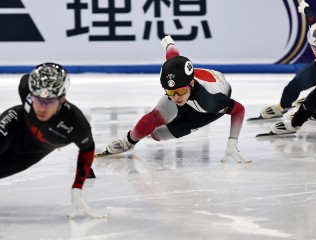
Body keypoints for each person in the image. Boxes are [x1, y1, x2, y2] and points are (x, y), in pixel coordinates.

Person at [99, 35, 251, 163]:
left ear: (191, 83)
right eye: (170, 92)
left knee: (159, 135)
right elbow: (172, 55)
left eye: (179, 91)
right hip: (191, 89)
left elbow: (239, 110)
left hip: (209, 104)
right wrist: (169, 43)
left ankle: (150, 134)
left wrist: (232, 142)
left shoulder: (211, 101)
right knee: (155, 117)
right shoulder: (174, 73)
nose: (176, 97)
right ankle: (128, 141)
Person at [0, 63, 106, 218]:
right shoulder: (26, 89)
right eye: (37, 100)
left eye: (49, 102)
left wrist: (77, 188)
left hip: (31, 152)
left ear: (62, 99)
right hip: (14, 124)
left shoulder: (76, 124)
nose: (42, 108)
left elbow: (87, 149)